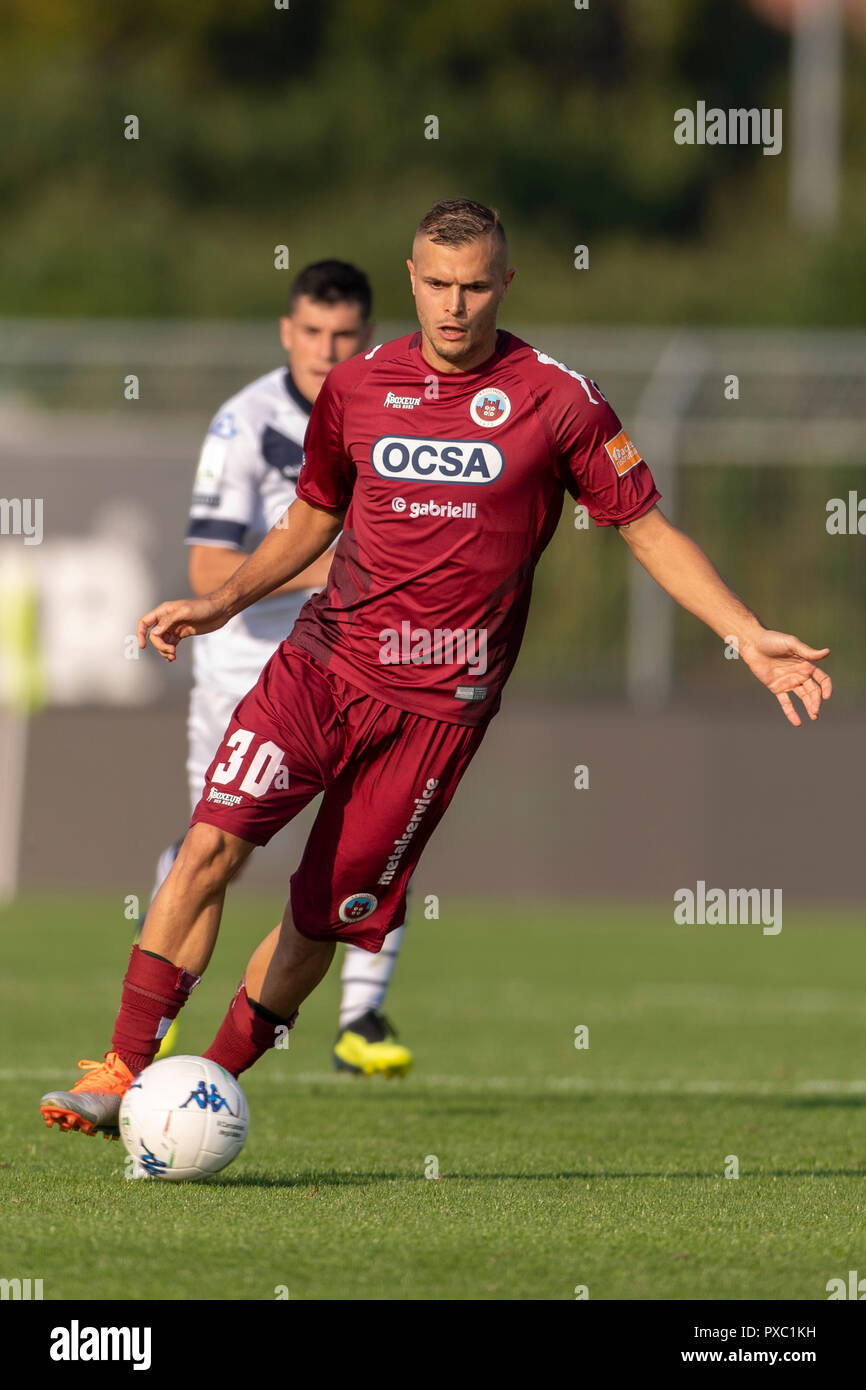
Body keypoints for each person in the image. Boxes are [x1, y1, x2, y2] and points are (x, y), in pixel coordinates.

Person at [40, 197, 831, 1140]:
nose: (454, 306)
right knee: (210, 843)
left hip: (437, 714)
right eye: (437, 285)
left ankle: (198, 1092)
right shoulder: (359, 387)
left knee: (319, 923)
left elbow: (646, 531)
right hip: (321, 670)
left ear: (506, 283)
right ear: (411, 280)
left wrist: (747, 636)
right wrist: (220, 603)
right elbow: (310, 520)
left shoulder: (558, 399)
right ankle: (119, 1066)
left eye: (475, 287)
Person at [144, 259, 413, 1078]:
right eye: (313, 334)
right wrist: (331, 567)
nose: (328, 352)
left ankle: (361, 1015)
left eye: (346, 336)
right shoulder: (244, 422)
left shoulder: (395, 407)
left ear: (366, 334)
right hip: (249, 668)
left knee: (374, 839)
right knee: (213, 847)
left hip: (360, 662)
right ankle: (150, 1023)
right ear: (286, 331)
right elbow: (204, 574)